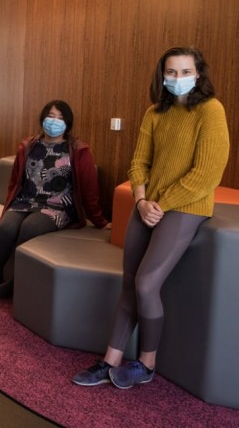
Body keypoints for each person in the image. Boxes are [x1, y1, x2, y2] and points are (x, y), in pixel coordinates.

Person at [73, 46, 229, 389]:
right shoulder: (154, 112)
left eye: (185, 72)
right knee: (129, 282)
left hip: (186, 206)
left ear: (198, 75)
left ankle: (146, 363)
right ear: (162, 75)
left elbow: (206, 173)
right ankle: (109, 360)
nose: (177, 79)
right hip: (149, 205)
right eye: (170, 72)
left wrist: (162, 203)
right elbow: (139, 162)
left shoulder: (211, 110)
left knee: (146, 283)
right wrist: (142, 200)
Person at [0, 100, 110, 299]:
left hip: (59, 207)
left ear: (68, 123)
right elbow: (15, 182)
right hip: (26, 201)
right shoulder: (28, 146)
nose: (54, 121)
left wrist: (100, 221)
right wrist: (5, 211)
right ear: (42, 119)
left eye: (60, 118)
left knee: (30, 228)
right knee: (6, 227)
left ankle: (14, 283)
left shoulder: (78, 150)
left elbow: (89, 190)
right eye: (51, 116)